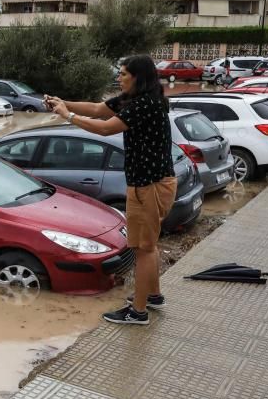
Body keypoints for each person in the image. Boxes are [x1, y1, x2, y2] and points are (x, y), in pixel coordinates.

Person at [45, 55, 175, 326]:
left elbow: (105, 129)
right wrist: (63, 103)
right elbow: (96, 109)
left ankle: (138, 312)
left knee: (144, 249)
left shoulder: (144, 104)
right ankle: (153, 296)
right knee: (147, 247)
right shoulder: (135, 98)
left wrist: (68, 116)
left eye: (123, 74)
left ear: (137, 77)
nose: (118, 77)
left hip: (148, 186)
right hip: (149, 183)